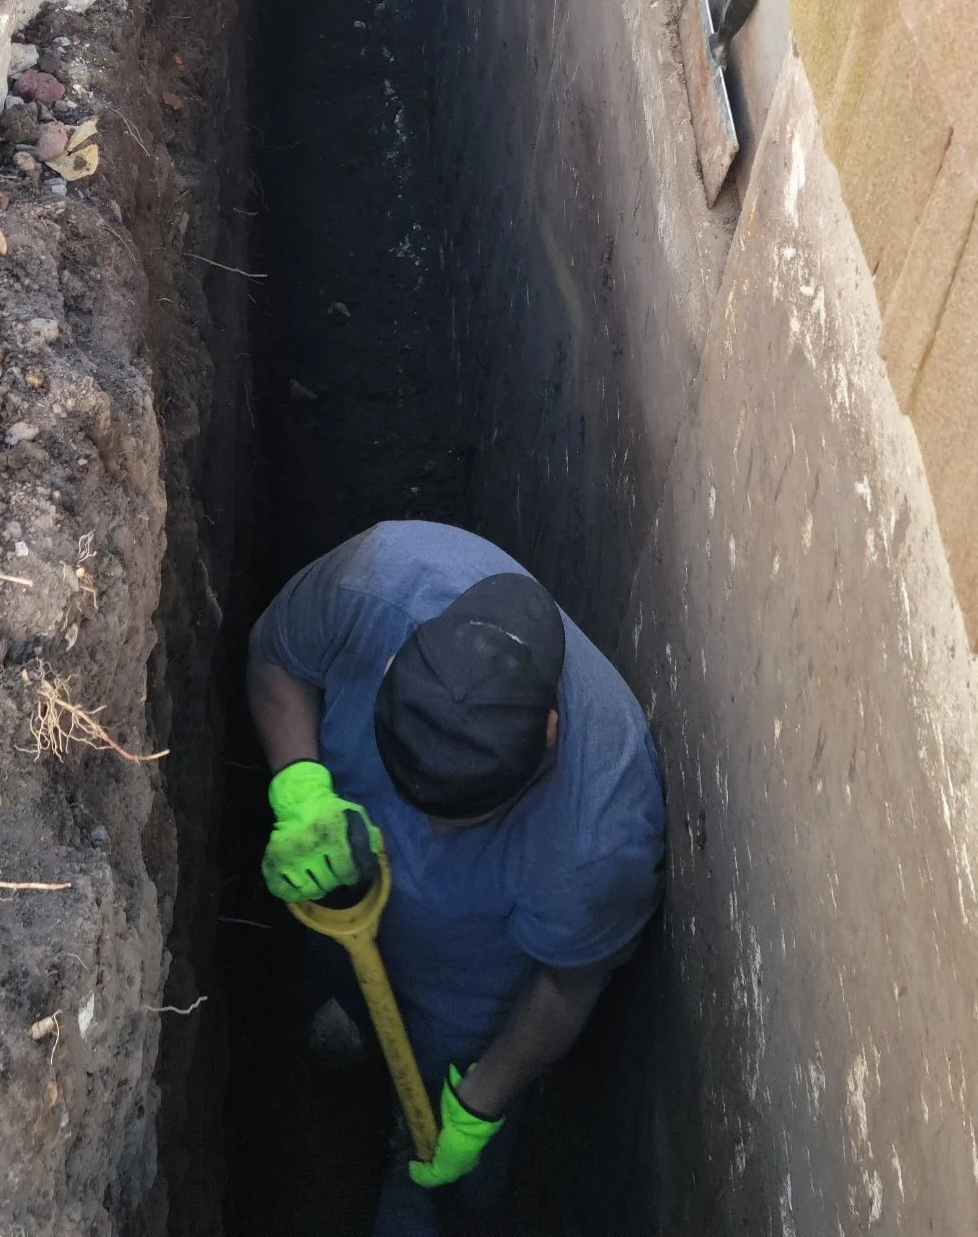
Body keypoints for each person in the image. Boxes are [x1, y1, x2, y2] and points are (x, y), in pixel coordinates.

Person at [247, 520, 667, 1232]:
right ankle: (363, 1024)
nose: (431, 835)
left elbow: (566, 985)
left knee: (437, 1149)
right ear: (389, 673)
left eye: (467, 819)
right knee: (343, 966)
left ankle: (426, 1201)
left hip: (469, 988)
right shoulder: (378, 579)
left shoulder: (602, 840)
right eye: (419, 804)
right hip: (349, 886)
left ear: (550, 738)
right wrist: (299, 787)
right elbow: (276, 656)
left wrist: (483, 1101)